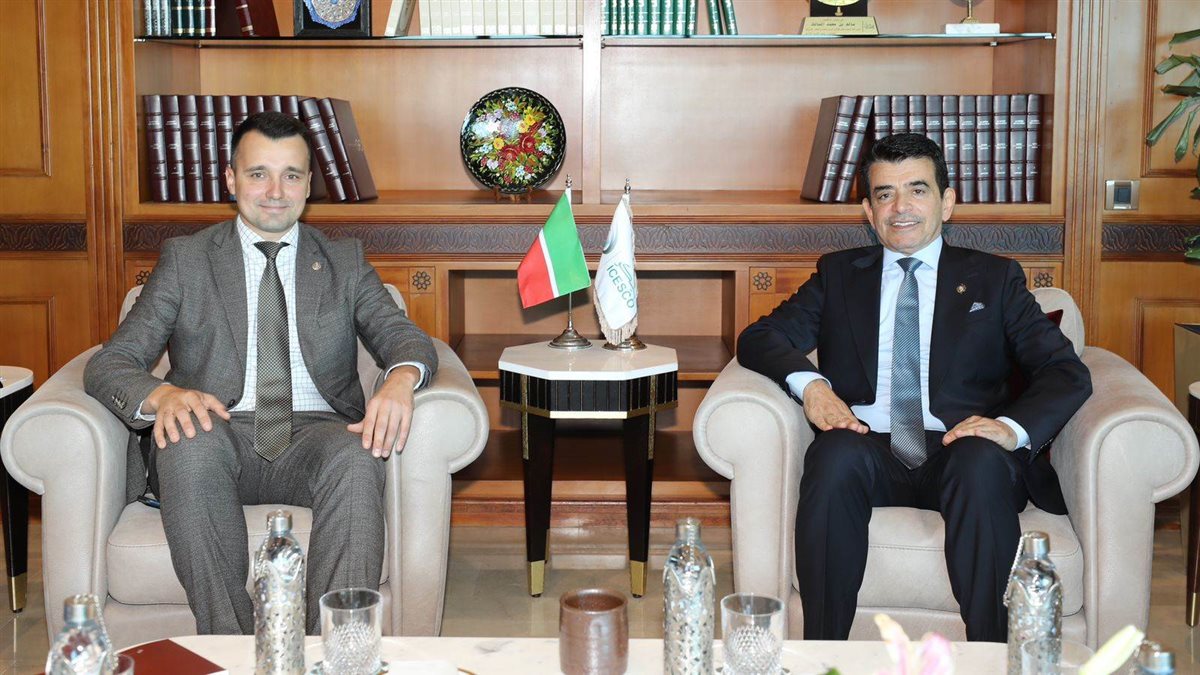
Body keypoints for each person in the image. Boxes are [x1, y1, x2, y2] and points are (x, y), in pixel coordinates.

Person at [84, 112, 438, 635]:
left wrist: (400, 379)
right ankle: (230, 648)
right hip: (215, 430)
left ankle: (335, 653)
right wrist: (162, 395)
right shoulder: (187, 260)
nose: (275, 191)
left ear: (308, 185)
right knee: (186, 441)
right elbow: (111, 362)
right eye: (258, 174)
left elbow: (403, 337)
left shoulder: (343, 261)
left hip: (316, 436)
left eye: (291, 175)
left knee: (359, 457)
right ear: (231, 179)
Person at [737, 133, 1091, 642]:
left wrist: (1010, 429)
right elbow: (761, 338)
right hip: (869, 447)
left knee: (980, 462)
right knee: (833, 456)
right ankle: (823, 651)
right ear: (868, 210)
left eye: (917, 190)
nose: (900, 207)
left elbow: (1064, 370)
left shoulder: (994, 279)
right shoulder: (840, 276)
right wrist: (811, 386)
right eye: (885, 194)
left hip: (961, 450)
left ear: (947, 203)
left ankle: (992, 656)